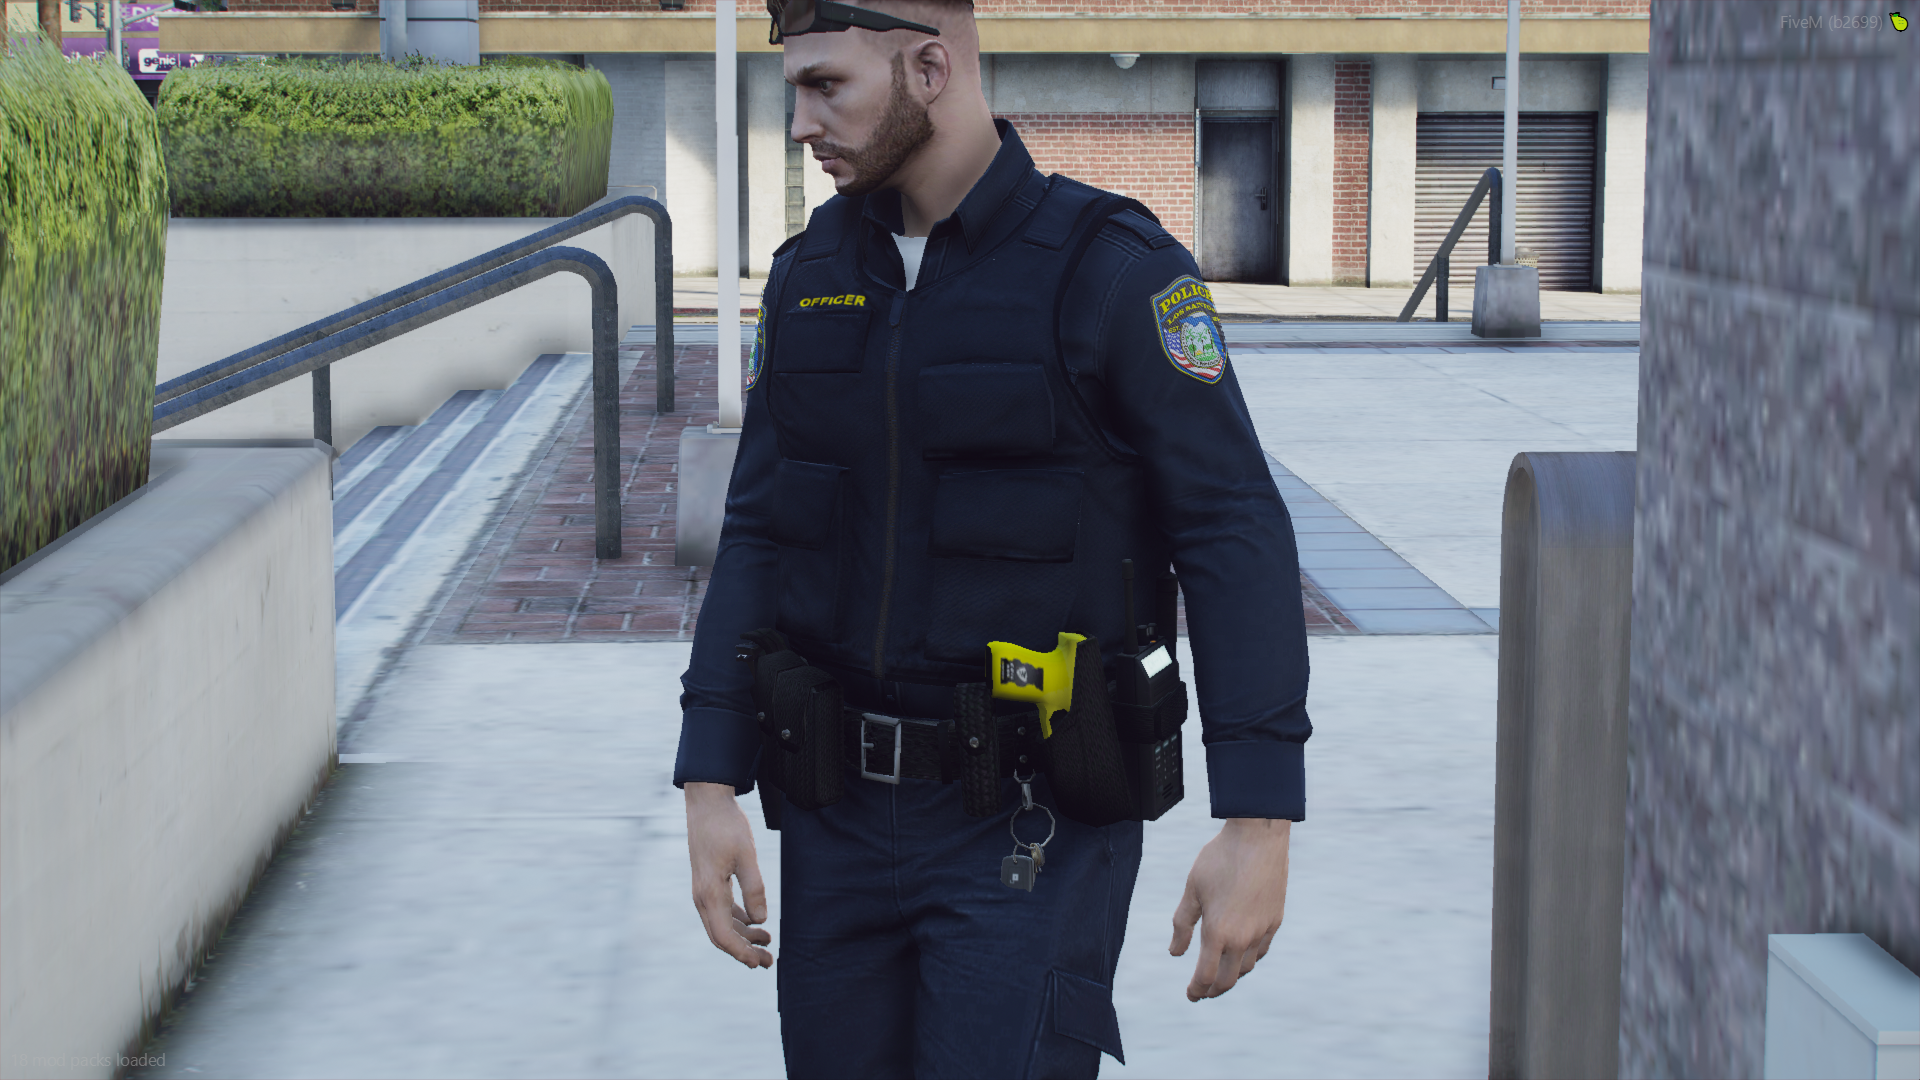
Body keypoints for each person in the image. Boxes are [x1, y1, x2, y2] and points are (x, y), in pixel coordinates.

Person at [673, 2, 1311, 1075]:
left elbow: (1230, 525)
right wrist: (708, 777)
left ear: (930, 68)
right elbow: (760, 529)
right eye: (796, 90)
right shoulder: (808, 275)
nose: (802, 123)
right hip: (832, 817)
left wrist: (1260, 816)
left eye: (826, 86)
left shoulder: (1115, 272)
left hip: (1031, 825)